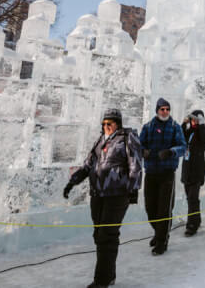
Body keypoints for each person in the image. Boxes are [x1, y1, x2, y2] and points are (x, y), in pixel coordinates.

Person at [64, 108, 142, 288]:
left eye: (110, 123)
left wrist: (133, 189)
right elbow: (87, 165)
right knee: (99, 235)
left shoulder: (127, 138)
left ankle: (102, 280)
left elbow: (136, 165)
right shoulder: (100, 140)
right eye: (104, 124)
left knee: (107, 234)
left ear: (118, 124)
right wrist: (72, 182)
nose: (106, 126)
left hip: (117, 195)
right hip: (98, 194)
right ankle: (110, 274)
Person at [139, 97, 186, 255]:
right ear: (157, 110)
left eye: (167, 109)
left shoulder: (175, 127)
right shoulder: (148, 127)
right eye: (162, 109)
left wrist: (171, 152)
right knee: (150, 208)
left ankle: (161, 240)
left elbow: (183, 147)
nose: (165, 112)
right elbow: (139, 145)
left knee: (164, 209)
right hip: (151, 172)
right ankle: (159, 232)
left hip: (167, 174)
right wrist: (143, 152)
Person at [181, 109, 205, 236]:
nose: (194, 121)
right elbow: (180, 137)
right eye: (192, 119)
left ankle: (191, 225)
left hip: (197, 171)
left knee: (193, 198)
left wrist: (201, 124)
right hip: (187, 170)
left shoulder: (203, 132)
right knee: (191, 198)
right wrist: (184, 124)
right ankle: (196, 220)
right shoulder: (189, 131)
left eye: (196, 119)